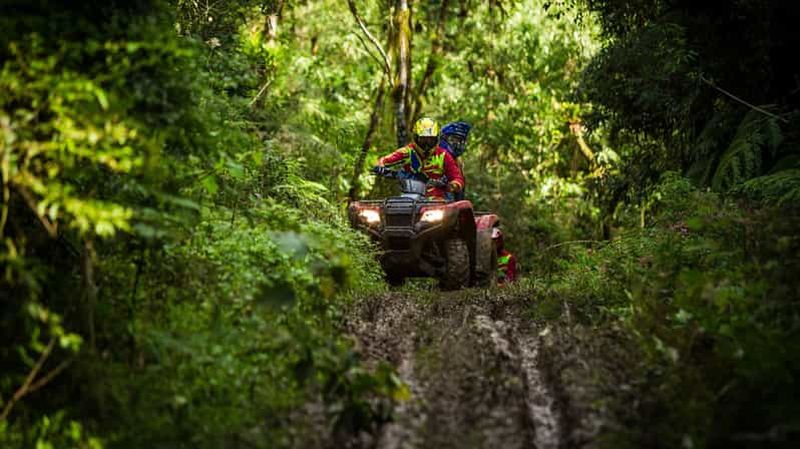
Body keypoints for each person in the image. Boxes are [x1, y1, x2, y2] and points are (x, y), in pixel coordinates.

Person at [374, 117, 464, 200]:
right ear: (416, 138)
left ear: (436, 139)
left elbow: (457, 177)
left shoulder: (443, 155)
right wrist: (380, 166)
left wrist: (454, 185)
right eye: (423, 139)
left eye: (430, 140)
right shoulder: (407, 151)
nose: (427, 144)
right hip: (410, 197)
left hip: (436, 200)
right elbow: (383, 160)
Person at [439, 121, 472, 201]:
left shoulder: (459, 162)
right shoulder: (434, 155)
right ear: (444, 138)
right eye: (453, 139)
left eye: (460, 141)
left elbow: (460, 191)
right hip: (431, 201)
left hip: (451, 203)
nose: (456, 143)